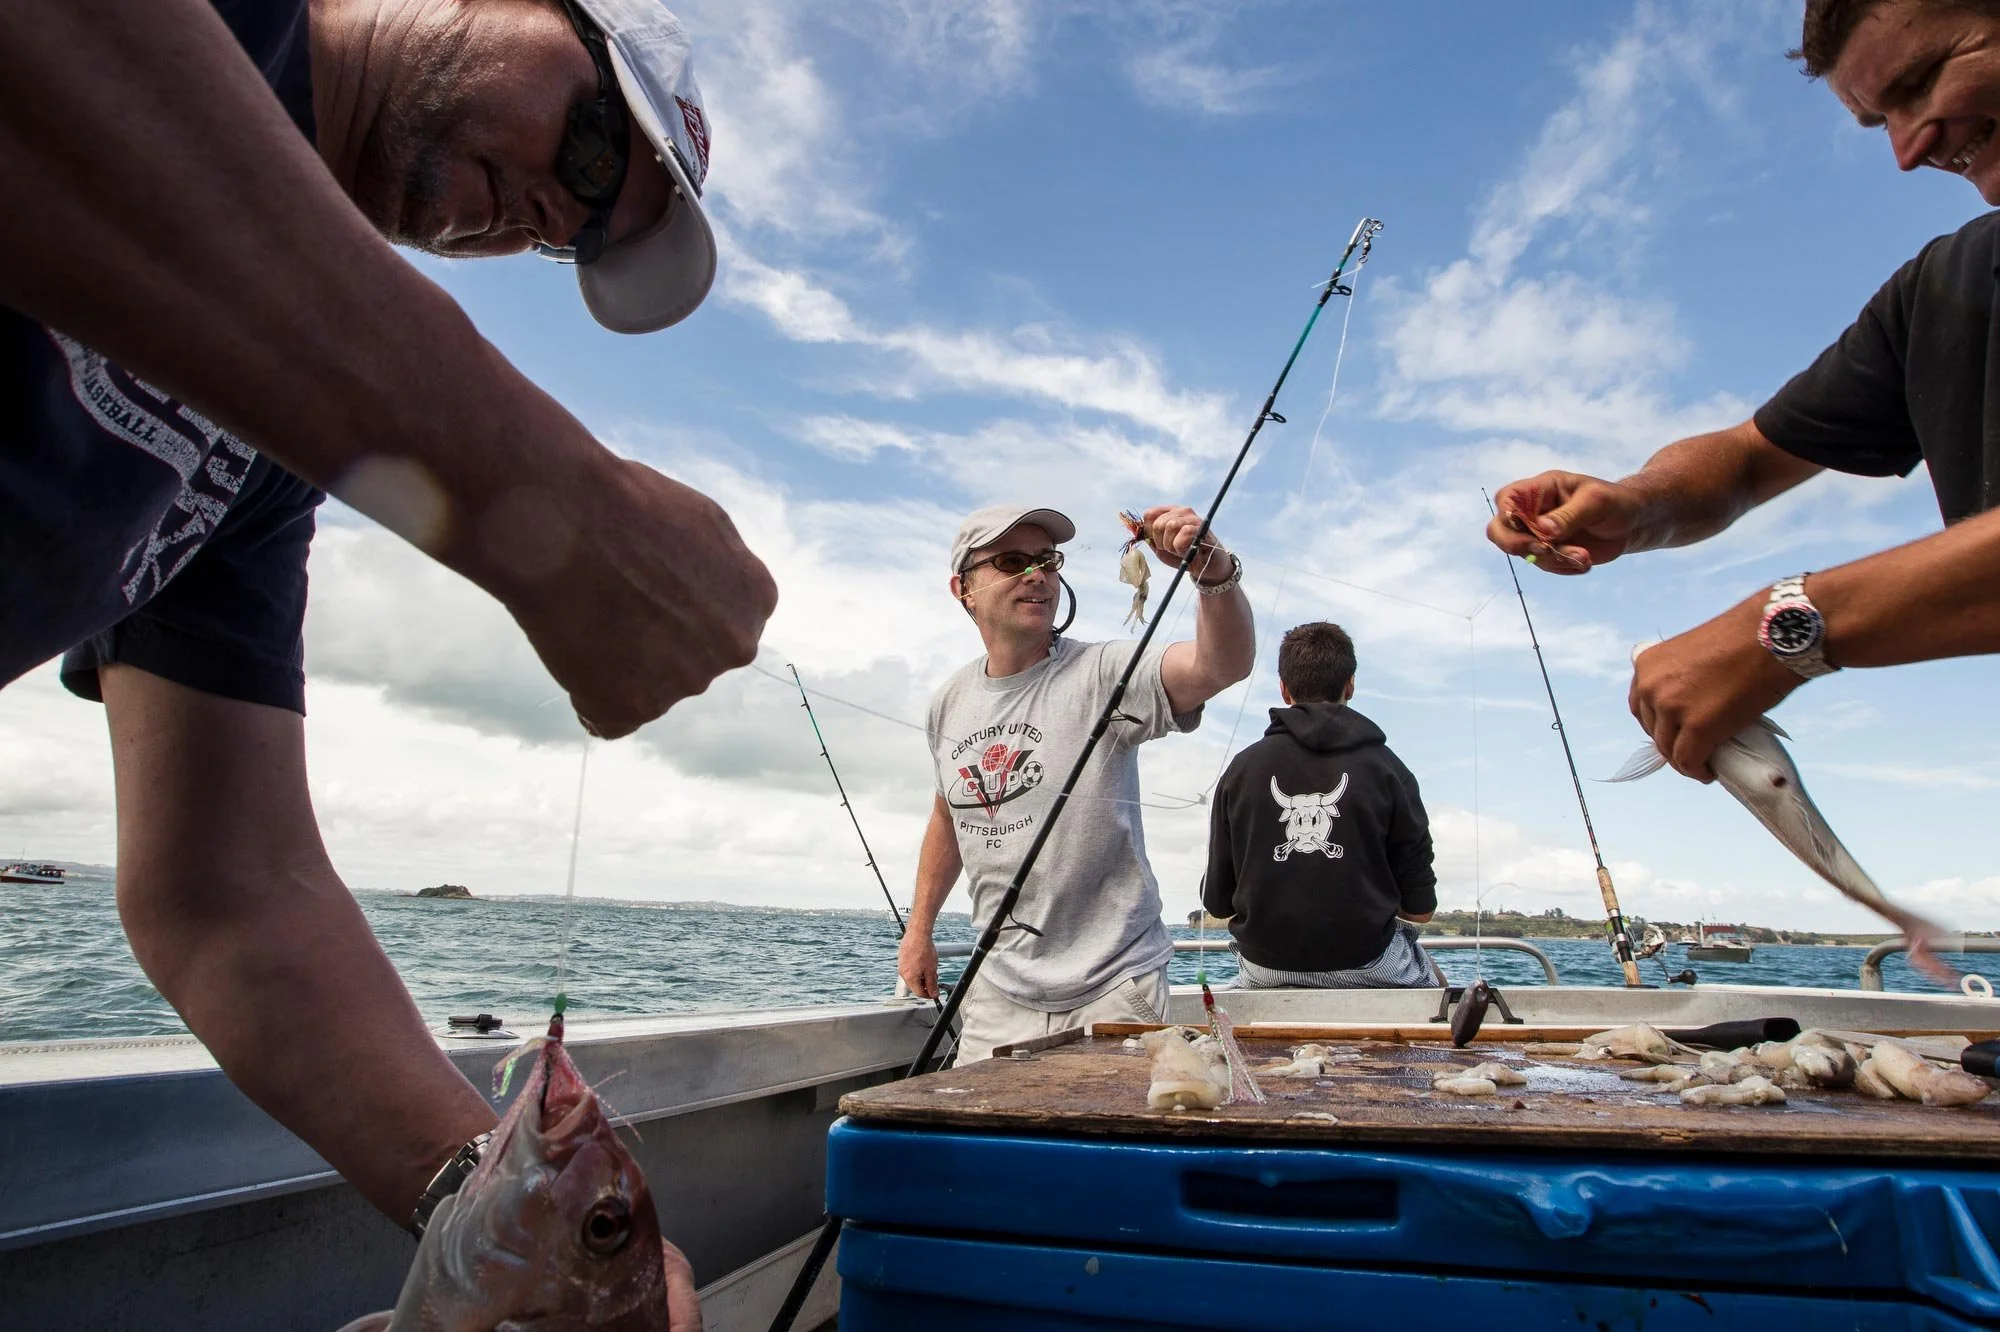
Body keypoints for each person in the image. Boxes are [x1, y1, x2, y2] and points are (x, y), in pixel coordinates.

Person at [2, 0, 779, 1312]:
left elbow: (232, 892)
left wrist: (506, 1204)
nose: (547, 213)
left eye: (575, 238)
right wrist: (538, 492)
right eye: (591, 156)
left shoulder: (263, 445)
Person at [1486, 0, 2000, 783]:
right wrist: (1636, 504)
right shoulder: (1941, 291)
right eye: (1881, 118)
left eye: (1924, 80)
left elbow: (1792, 609)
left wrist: (1791, 624)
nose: (1908, 147)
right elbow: (1752, 458)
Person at [896, 504, 1255, 1062]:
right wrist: (919, 930)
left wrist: (1214, 575)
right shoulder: (949, 702)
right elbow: (948, 815)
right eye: (1012, 561)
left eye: (1047, 560)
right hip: (996, 989)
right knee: (987, 1147)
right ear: (963, 588)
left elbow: (1221, 664)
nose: (1036, 574)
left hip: (1114, 988)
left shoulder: (1106, 671)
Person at [1201, 622, 1438, 990]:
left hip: (1266, 969)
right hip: (1372, 963)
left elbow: (1217, 904)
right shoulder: (1392, 771)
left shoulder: (1241, 770)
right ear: (1350, 685)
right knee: (1439, 986)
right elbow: (1421, 911)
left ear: (1284, 688)